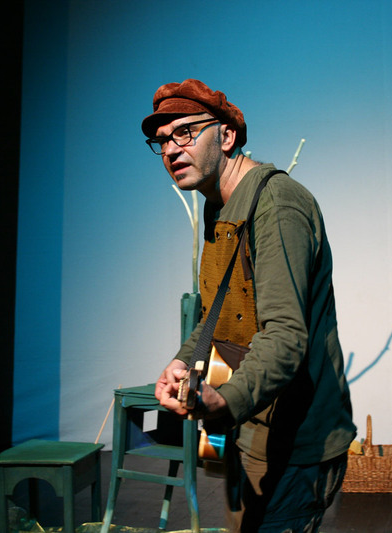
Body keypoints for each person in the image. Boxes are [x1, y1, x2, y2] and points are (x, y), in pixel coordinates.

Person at [146, 79, 356, 532]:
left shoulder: (276, 204)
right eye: (162, 140)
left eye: (184, 132)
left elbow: (285, 335)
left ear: (226, 136)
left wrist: (225, 399)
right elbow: (216, 315)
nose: (170, 150)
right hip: (249, 431)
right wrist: (182, 362)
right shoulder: (218, 206)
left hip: (295, 445)